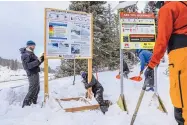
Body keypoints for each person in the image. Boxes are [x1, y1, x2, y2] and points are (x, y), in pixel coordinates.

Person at [144, 1, 187, 124]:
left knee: (181, 100)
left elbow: (162, 39)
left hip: (181, 56)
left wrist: (151, 65)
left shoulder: (168, 8)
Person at [20, 40, 44, 108]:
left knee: (37, 88)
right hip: (32, 73)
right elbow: (28, 66)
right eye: (33, 45)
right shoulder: (25, 54)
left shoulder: (31, 53)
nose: (34, 47)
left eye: (34, 46)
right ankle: (26, 105)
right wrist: (38, 60)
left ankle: (33, 103)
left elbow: (37, 63)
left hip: (35, 72)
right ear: (28, 45)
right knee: (33, 88)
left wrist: (42, 58)